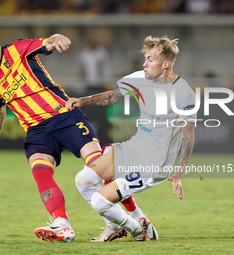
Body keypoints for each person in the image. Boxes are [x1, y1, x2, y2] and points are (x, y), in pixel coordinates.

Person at [0, 29, 105, 243]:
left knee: (101, 167)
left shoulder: (17, 49)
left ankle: (137, 218)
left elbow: (47, 42)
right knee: (40, 171)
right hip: (36, 130)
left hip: (63, 115)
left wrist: (57, 38)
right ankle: (61, 223)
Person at [66, 35, 196, 241]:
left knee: (101, 201)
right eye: (145, 58)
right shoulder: (140, 78)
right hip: (133, 149)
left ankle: (137, 230)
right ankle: (124, 224)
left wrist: (178, 173)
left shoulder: (183, 93)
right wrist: (83, 100)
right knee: (83, 180)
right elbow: (114, 96)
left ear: (166, 64)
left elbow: (188, 134)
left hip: (154, 163)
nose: (144, 64)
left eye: (150, 59)